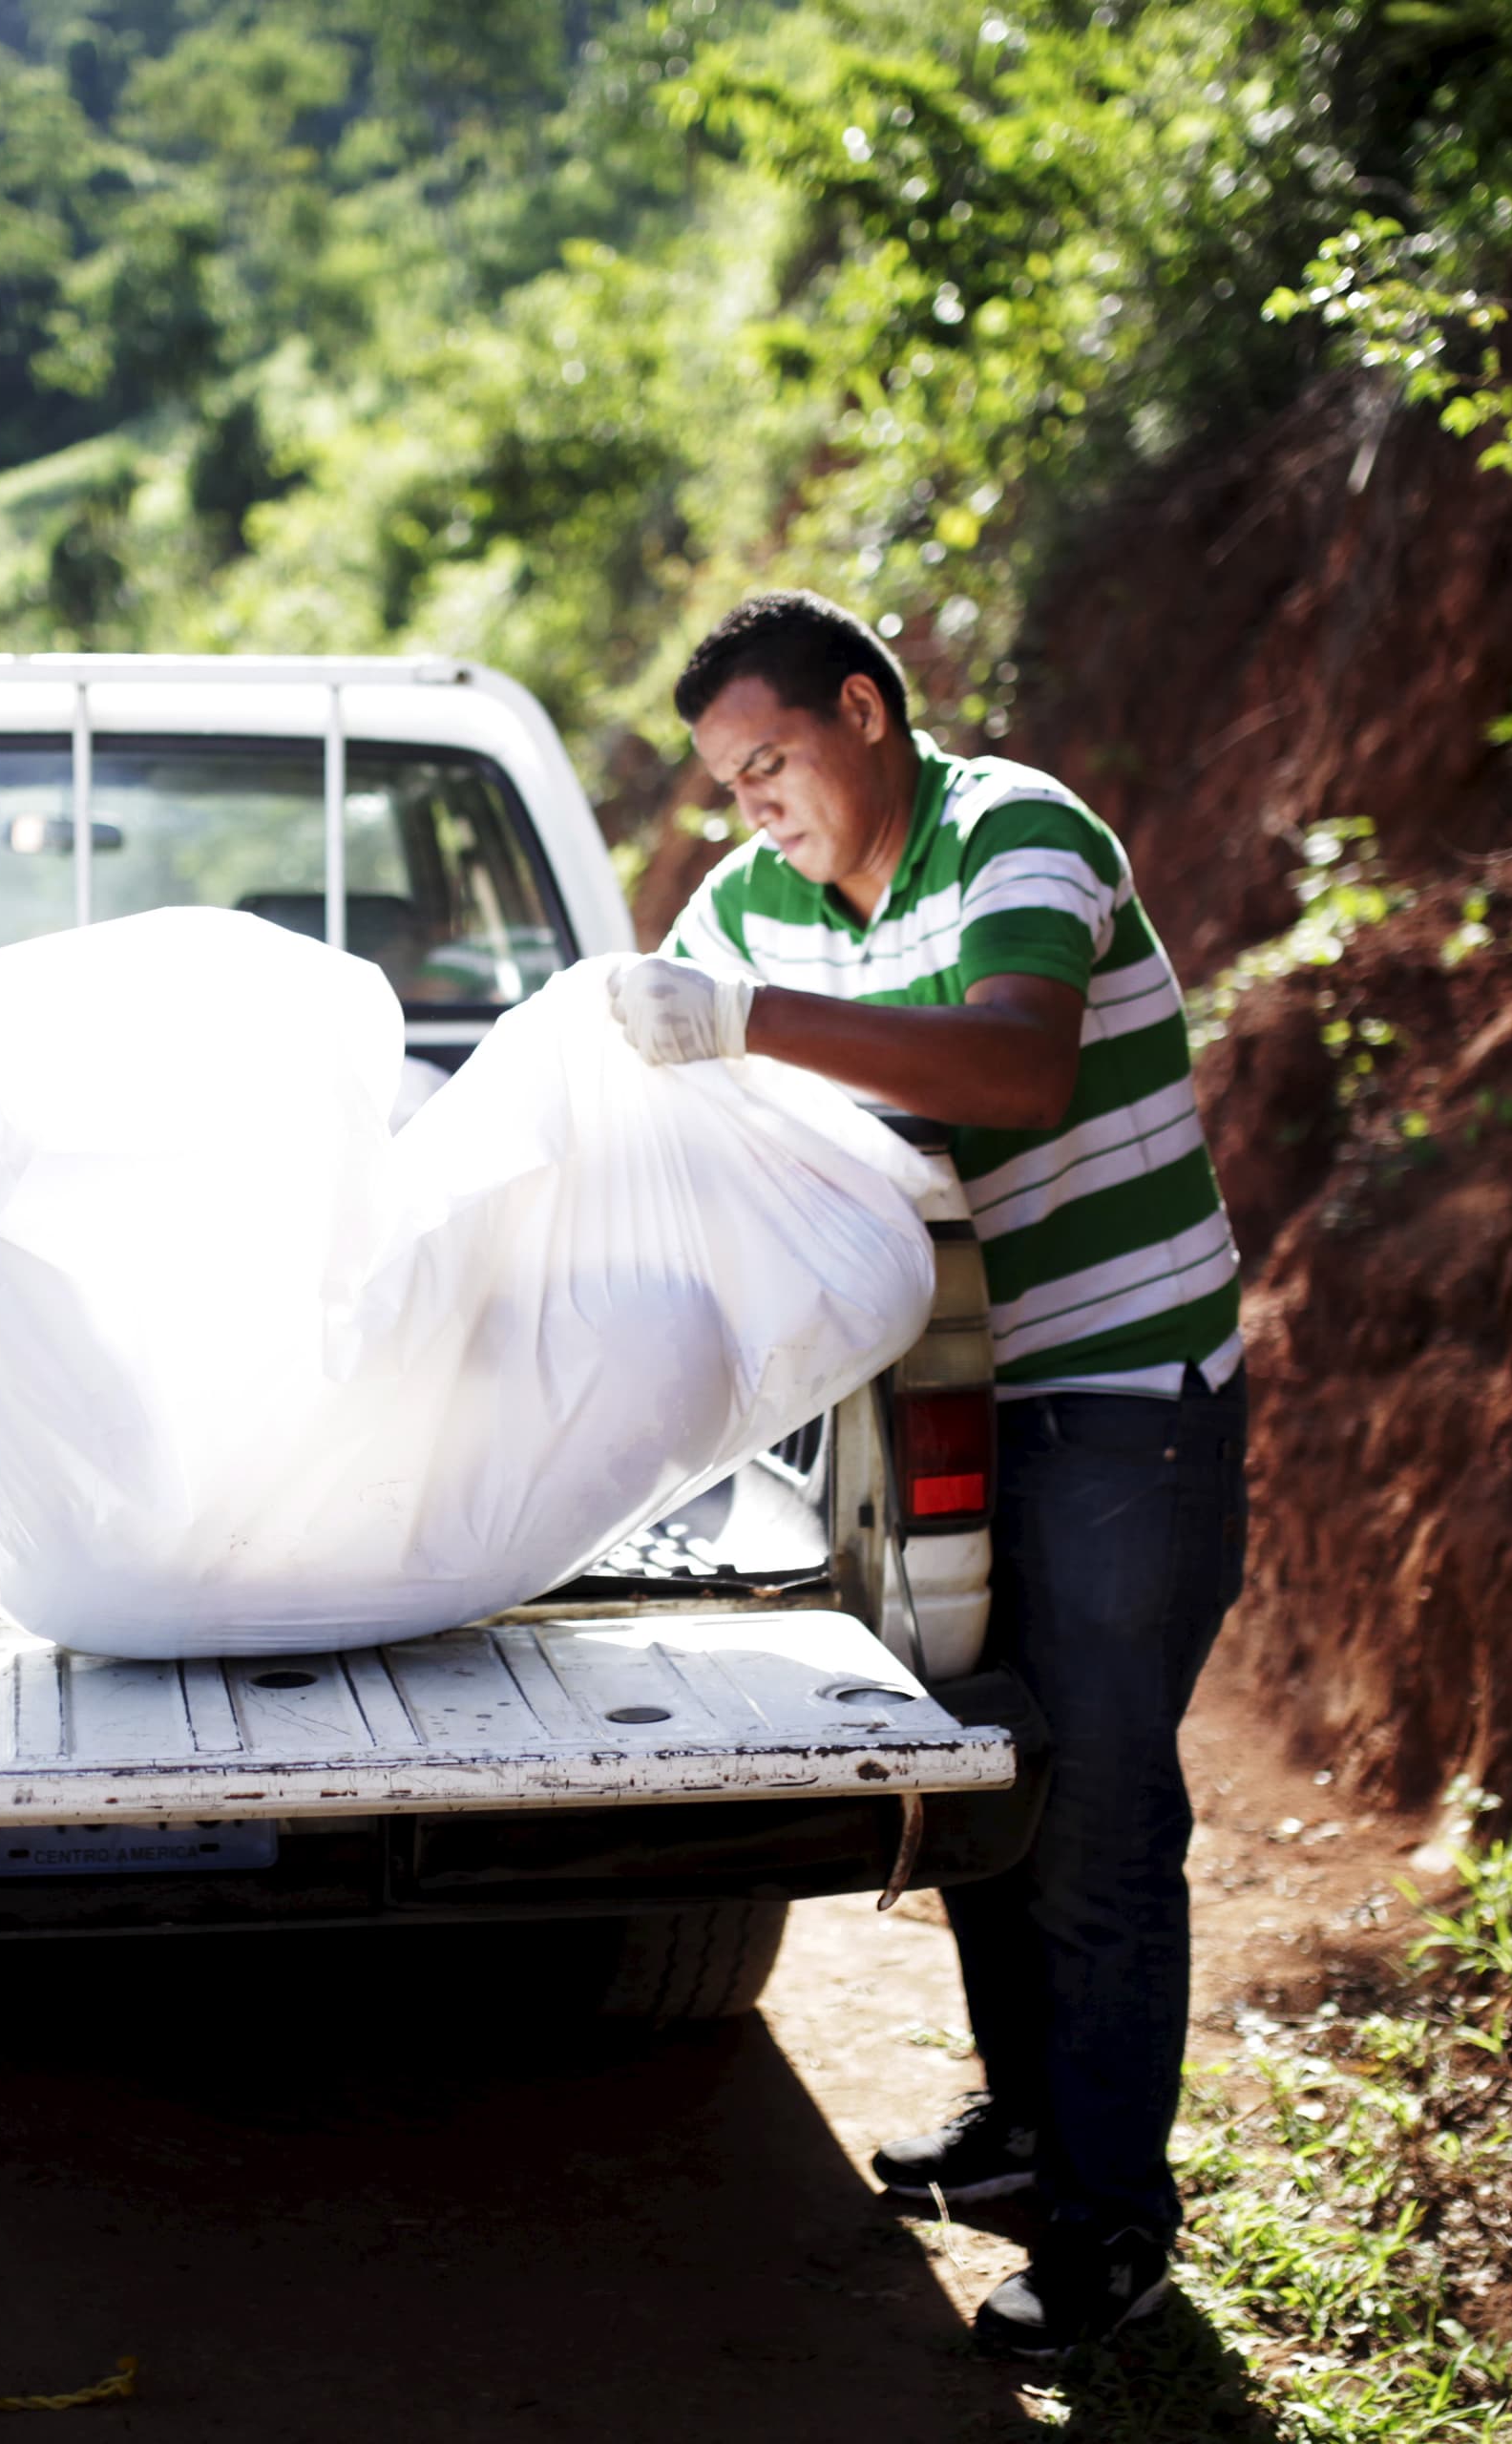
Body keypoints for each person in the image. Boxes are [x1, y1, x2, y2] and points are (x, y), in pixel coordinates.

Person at [612, 591, 1249, 2358]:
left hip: (1126, 1393)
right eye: (729, 788)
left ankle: (1114, 2224)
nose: (756, 810)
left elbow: (1019, 1066)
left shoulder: (1017, 833)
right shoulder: (756, 904)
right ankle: (1031, 2125)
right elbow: (674, 1065)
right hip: (938, 1403)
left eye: (775, 762)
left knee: (1109, 1807)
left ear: (867, 712)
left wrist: (745, 1019)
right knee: (984, 1771)